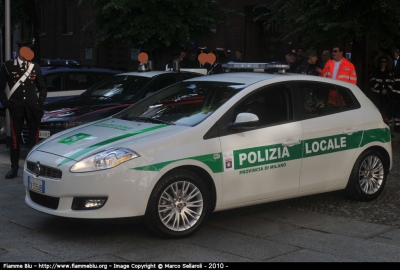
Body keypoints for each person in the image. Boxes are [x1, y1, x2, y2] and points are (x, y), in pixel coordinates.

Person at [0, 40, 47, 179]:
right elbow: (1, 87)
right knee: (15, 139)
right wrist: (7, 103)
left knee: (35, 139)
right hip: (16, 108)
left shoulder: (35, 67)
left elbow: (42, 87)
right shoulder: (8, 66)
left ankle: (34, 169)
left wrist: (40, 102)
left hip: (33, 108)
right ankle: (14, 168)